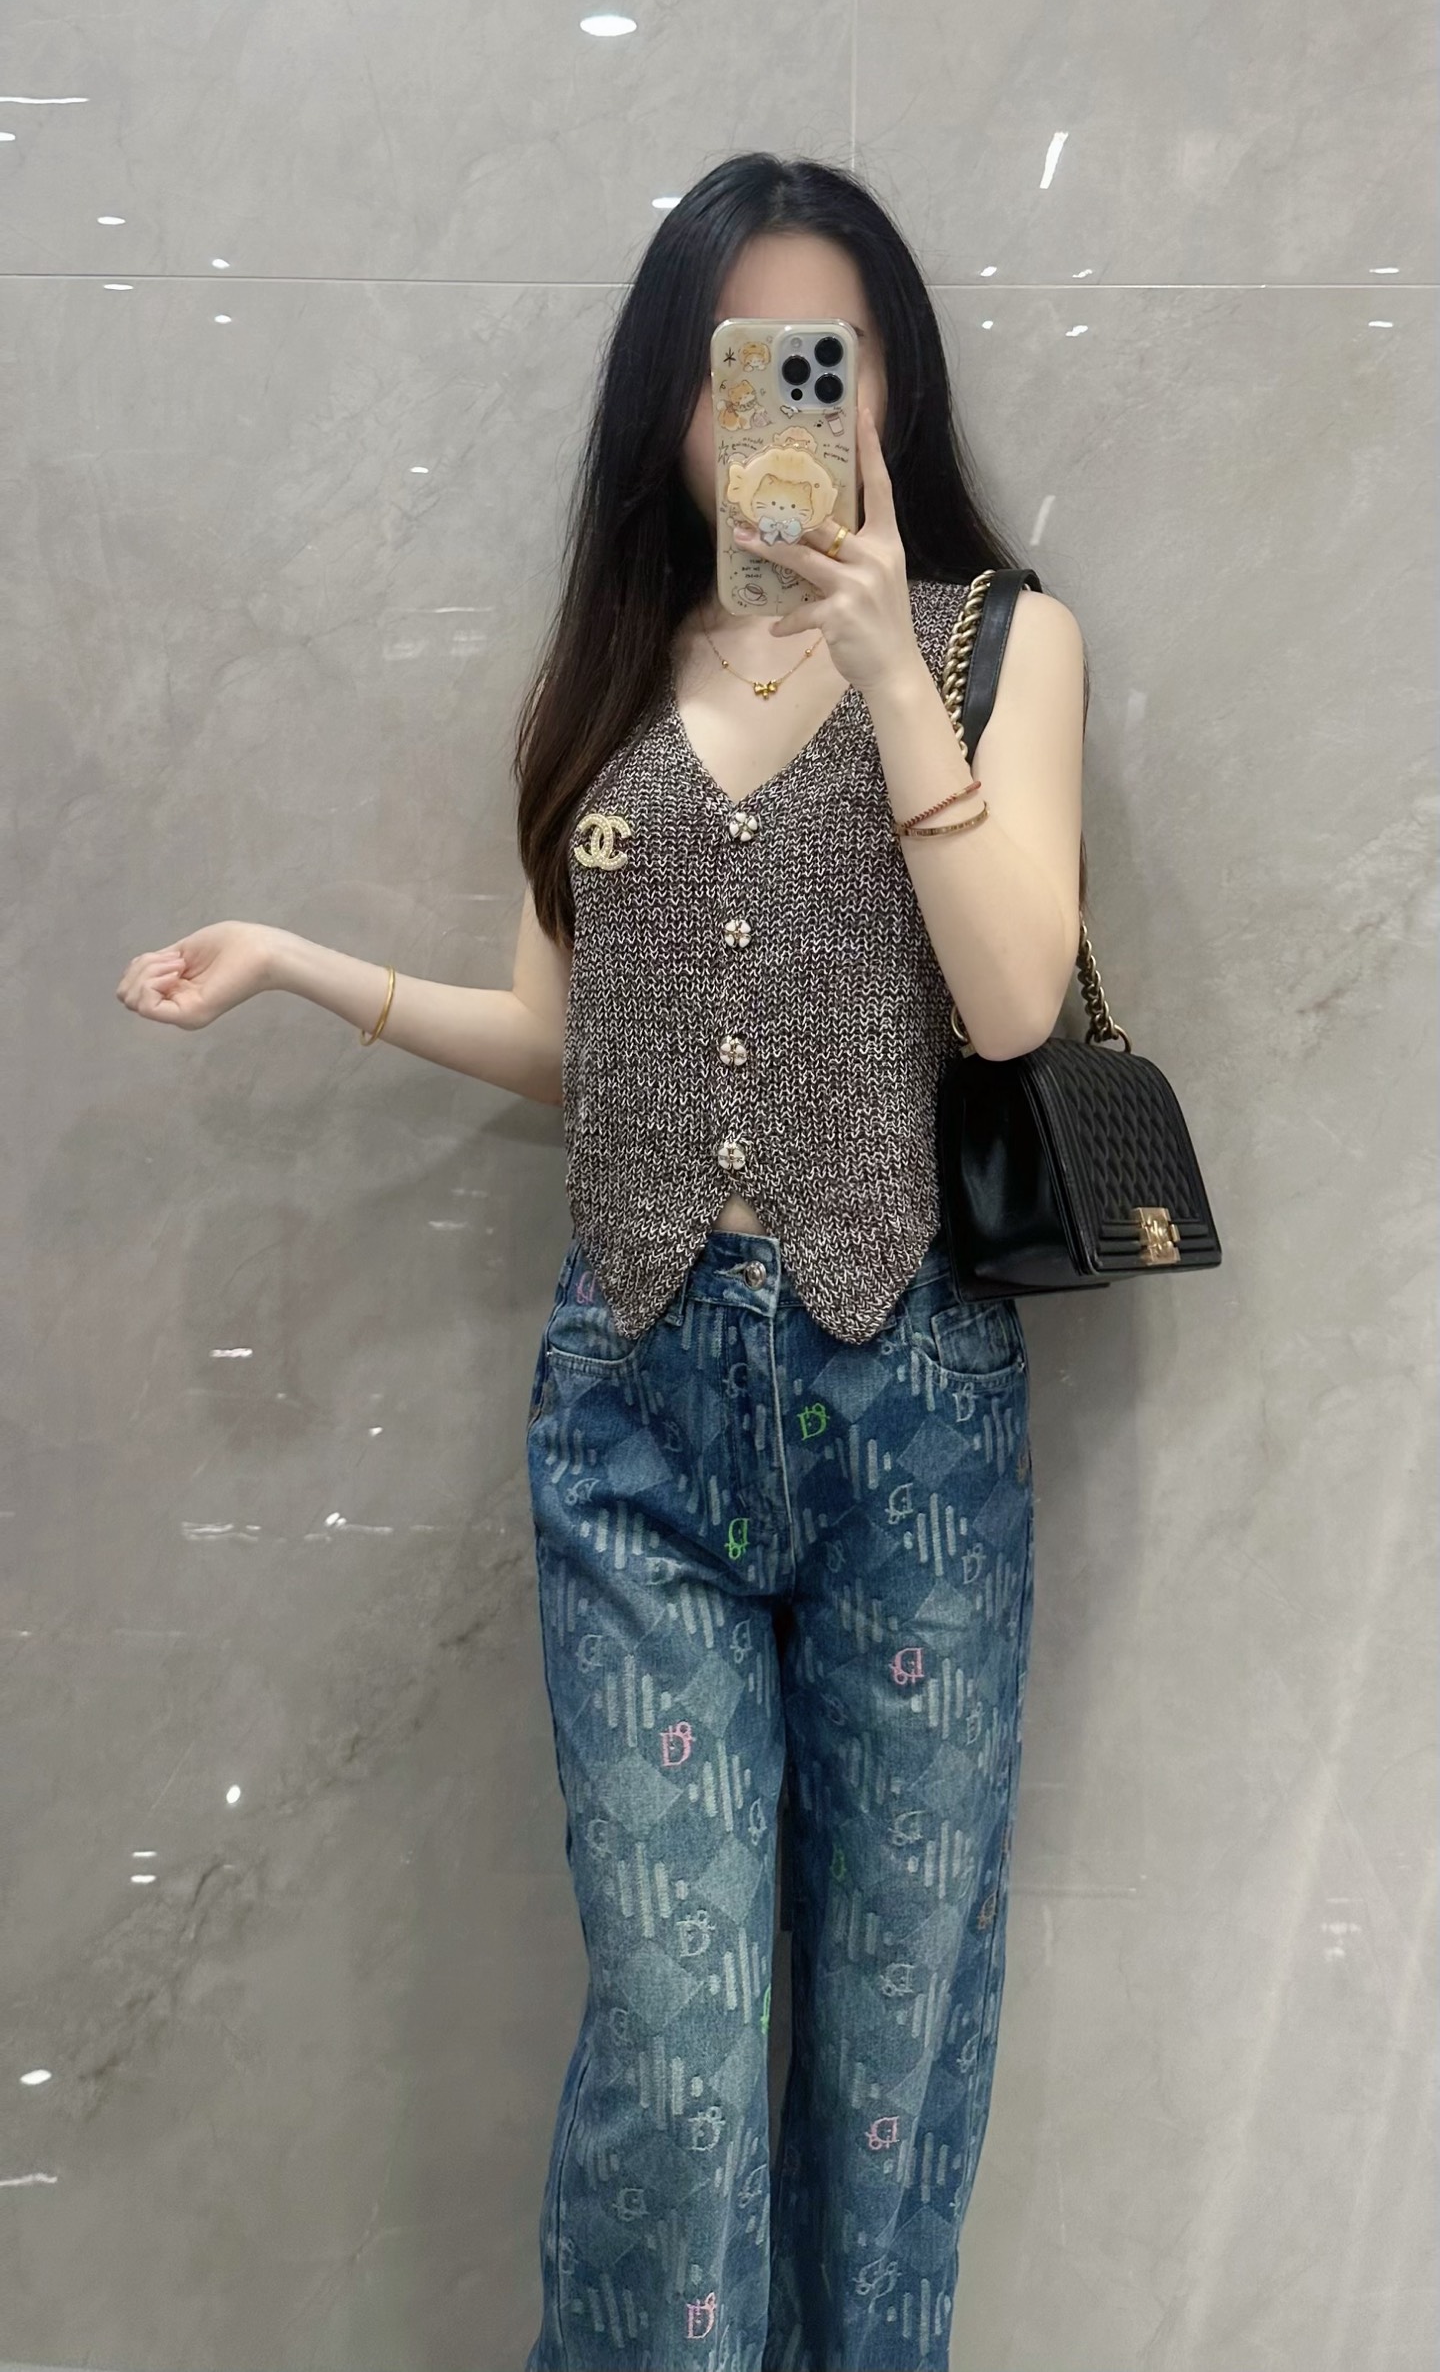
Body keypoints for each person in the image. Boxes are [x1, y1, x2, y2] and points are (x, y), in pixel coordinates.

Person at [116, 151, 1086, 2371]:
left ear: (893, 383)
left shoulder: (998, 645)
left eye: (833, 357)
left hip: (912, 1425)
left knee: (889, 2049)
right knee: (676, 2048)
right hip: (634, 1415)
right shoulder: (605, 674)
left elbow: (1017, 998)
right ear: (676, 394)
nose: (797, 404)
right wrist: (300, 966)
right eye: (750, 359)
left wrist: (885, 661)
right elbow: (574, 1048)